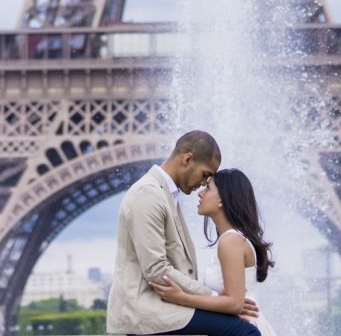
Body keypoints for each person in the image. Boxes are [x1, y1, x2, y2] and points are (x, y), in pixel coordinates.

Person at [106, 131, 261, 336]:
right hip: (146, 311)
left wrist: (220, 302)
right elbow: (156, 270)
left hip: (163, 307)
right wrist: (217, 299)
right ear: (187, 159)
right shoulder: (148, 195)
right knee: (241, 331)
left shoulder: (164, 195)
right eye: (205, 175)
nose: (202, 185)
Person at [150, 168, 278, 336]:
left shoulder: (230, 241)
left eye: (208, 188)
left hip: (241, 328)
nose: (200, 193)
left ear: (223, 200)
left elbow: (234, 304)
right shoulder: (233, 239)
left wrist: (181, 298)